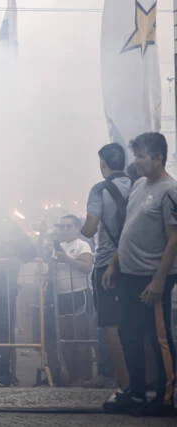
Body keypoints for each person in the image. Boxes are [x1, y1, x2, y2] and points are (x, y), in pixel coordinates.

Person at [103, 133, 177, 416]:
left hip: (152, 276)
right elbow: (128, 229)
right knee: (129, 334)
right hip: (129, 275)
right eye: (135, 156)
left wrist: (159, 280)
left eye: (141, 156)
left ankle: (164, 396)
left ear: (159, 157)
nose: (136, 162)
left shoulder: (170, 191)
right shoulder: (138, 185)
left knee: (158, 337)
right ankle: (135, 391)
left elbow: (173, 239)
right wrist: (114, 263)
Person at [81, 142, 131, 390]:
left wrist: (82, 231)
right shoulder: (138, 185)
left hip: (106, 264)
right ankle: (143, 381)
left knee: (110, 325)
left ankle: (124, 385)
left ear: (103, 164)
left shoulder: (99, 190)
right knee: (135, 323)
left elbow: (90, 227)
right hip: (134, 263)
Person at [51, 214, 94, 384]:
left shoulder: (82, 245)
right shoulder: (58, 247)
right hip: (61, 295)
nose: (65, 230)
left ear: (77, 228)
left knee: (81, 337)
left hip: (79, 293)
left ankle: (86, 377)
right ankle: (71, 377)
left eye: (69, 226)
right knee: (66, 338)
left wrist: (67, 259)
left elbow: (87, 267)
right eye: (62, 226)